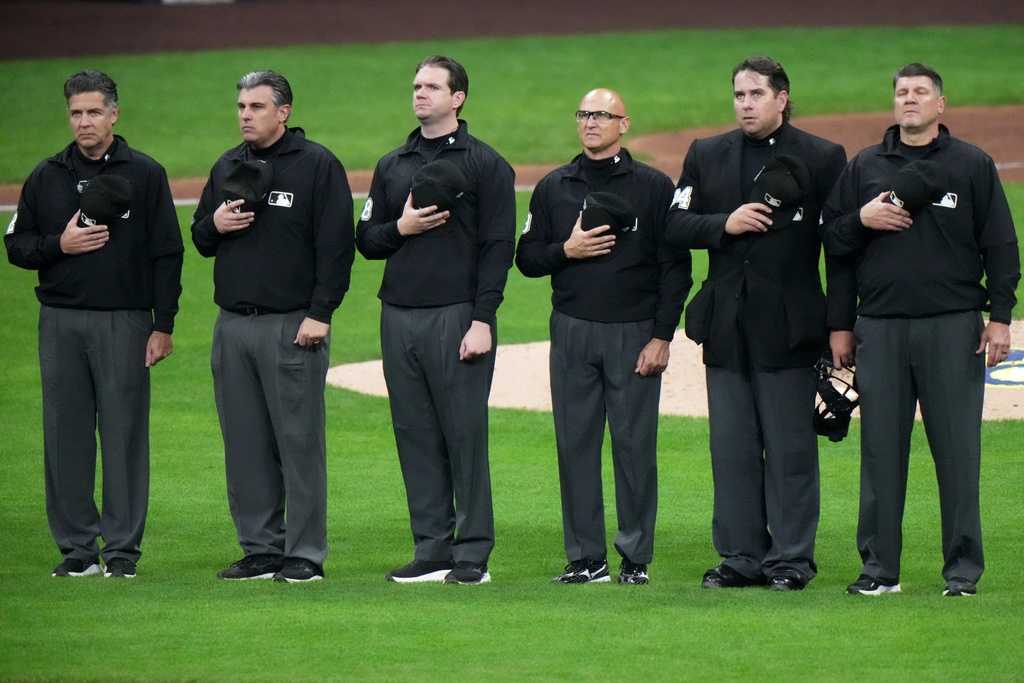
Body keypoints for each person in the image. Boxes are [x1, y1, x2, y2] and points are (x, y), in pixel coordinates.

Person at [822, 63, 1019, 597]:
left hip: (953, 328)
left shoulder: (971, 165)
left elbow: (1000, 245)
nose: (909, 100)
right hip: (879, 328)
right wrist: (840, 324)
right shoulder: (864, 167)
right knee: (881, 453)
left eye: (920, 93)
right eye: (902, 93)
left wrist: (1001, 316)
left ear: (940, 105)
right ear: (894, 104)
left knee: (957, 451)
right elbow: (834, 247)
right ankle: (879, 571)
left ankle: (962, 572)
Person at [664, 56, 852, 591]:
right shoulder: (707, 154)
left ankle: (791, 561)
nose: (745, 104)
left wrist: (842, 325)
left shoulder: (821, 157)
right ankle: (742, 558)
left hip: (791, 327)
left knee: (791, 448)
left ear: (782, 98)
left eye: (755, 95)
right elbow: (673, 224)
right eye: (739, 95)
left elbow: (840, 248)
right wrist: (725, 222)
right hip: (725, 326)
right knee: (732, 448)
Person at [4, 70, 184, 579]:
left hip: (125, 323)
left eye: (93, 112)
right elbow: (17, 245)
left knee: (125, 434)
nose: (84, 122)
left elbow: (167, 254)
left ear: (114, 114)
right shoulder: (46, 175)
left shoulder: (146, 174)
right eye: (76, 113)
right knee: (66, 435)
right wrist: (57, 246)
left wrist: (162, 323)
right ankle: (78, 549)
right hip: (59, 322)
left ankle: (122, 550)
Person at [515, 88, 691, 585]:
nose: (592, 122)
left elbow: (676, 267)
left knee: (634, 447)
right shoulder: (554, 186)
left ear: (624, 123)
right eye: (585, 114)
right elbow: (526, 259)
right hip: (571, 331)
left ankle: (635, 559)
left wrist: (661, 337)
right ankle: (586, 558)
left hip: (633, 334)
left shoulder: (654, 188)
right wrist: (565, 251)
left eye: (602, 115)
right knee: (575, 445)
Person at [356, 55, 515, 586]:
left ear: (458, 97)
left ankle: (471, 552)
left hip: (457, 317)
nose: (419, 93)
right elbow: (368, 242)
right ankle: (432, 548)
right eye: (416, 85)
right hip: (397, 315)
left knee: (464, 434)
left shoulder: (486, 164)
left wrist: (482, 319)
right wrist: (400, 227)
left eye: (431, 86)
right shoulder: (392, 164)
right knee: (414, 433)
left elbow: (498, 248)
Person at [191, 70, 354, 583]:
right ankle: (261, 549)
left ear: (283, 112)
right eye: (241, 106)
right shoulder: (227, 165)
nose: (245, 115)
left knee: (298, 443)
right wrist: (213, 226)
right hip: (233, 327)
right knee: (244, 442)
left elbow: (336, 248)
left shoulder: (316, 166)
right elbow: (199, 237)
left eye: (256, 107)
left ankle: (304, 552)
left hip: (292, 326)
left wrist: (320, 314)